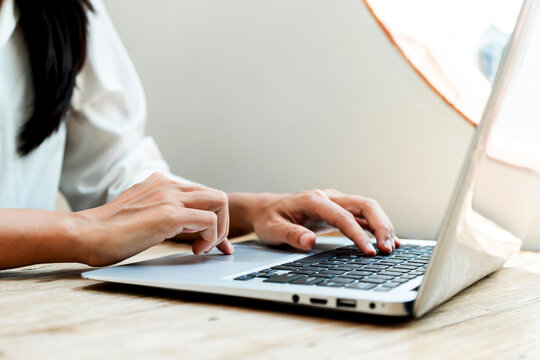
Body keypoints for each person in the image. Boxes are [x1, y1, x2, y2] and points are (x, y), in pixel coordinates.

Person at [0, 0, 399, 270]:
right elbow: (105, 220)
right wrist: (83, 231)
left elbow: (114, 174)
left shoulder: (64, 11)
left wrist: (252, 210)